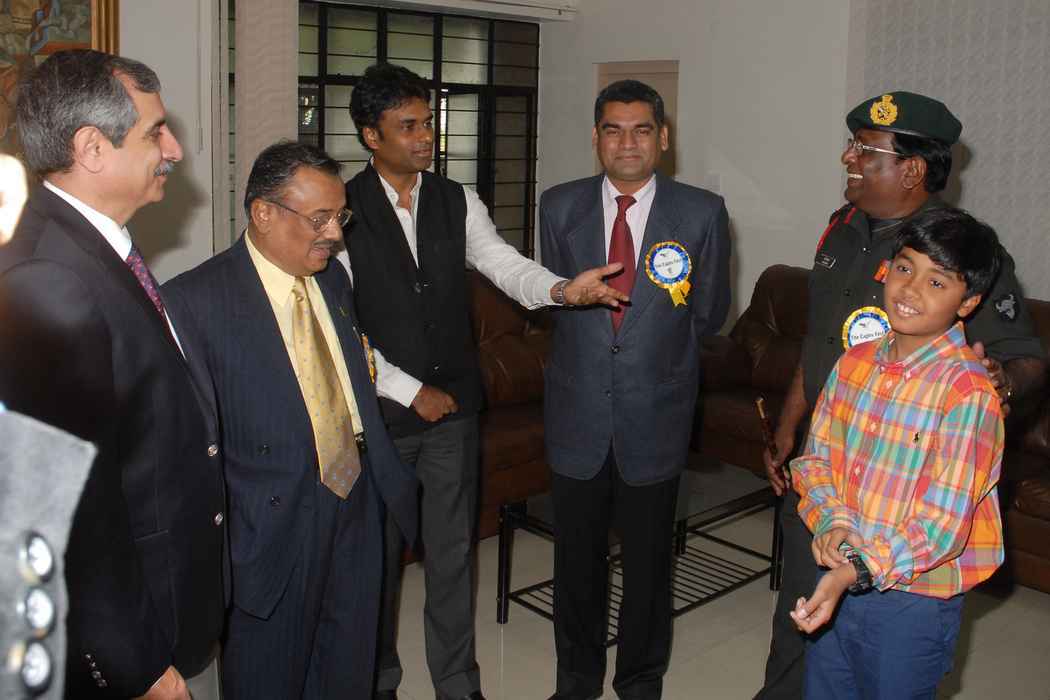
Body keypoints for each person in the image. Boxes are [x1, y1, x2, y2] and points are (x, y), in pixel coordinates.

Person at [341, 63, 627, 700]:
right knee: (376, 561)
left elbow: (502, 264)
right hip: (381, 417)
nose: (425, 137)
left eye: (428, 123)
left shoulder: (456, 199)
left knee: (453, 555)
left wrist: (562, 289)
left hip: (455, 413)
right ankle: (376, 681)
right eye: (407, 126)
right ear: (370, 136)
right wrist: (407, 390)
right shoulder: (341, 211)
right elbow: (340, 327)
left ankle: (457, 682)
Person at [755, 91, 1047, 699]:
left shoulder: (965, 254)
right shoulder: (841, 228)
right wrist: (789, 428)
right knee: (800, 621)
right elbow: (821, 341)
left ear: (911, 169)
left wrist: (999, 381)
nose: (849, 158)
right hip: (834, 475)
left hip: (907, 516)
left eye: (865, 150)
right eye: (854, 146)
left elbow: (1025, 356)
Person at [0, 50, 226, 698]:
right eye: (155, 132)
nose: (175, 149)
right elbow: (64, 506)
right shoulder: (45, 275)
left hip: (163, 599)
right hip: (121, 647)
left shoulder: (92, 242)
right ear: (92, 149)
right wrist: (137, 665)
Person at [162, 141, 419, 700]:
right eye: (319, 218)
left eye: (340, 217)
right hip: (268, 528)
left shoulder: (334, 281)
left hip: (358, 504)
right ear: (263, 213)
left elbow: (352, 377)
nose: (334, 234)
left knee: (348, 673)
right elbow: (187, 450)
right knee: (268, 679)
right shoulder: (192, 302)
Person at [539, 79, 731, 700]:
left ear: (663, 138)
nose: (628, 143)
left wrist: (654, 361)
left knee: (650, 565)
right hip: (576, 413)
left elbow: (708, 313)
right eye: (613, 130)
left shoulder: (701, 212)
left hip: (657, 414)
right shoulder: (558, 206)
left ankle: (641, 680)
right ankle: (576, 679)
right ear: (596, 138)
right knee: (576, 561)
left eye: (642, 130)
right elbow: (555, 301)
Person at [789, 207, 1006, 698]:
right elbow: (815, 460)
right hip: (839, 575)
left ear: (968, 302)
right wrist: (833, 522)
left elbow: (943, 525)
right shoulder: (854, 362)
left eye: (937, 282)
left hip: (913, 603)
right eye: (905, 267)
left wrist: (857, 569)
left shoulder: (967, 393)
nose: (910, 289)